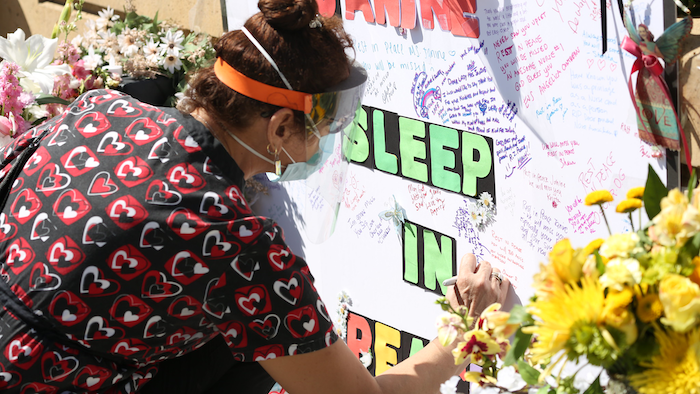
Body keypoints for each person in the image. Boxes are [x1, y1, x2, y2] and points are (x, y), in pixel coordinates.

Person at [0, 0, 509, 392]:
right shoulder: (236, 243)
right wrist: (460, 336)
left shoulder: (98, 109)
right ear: (282, 125)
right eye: (327, 124)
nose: (329, 141)